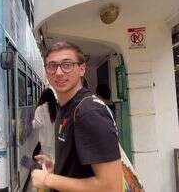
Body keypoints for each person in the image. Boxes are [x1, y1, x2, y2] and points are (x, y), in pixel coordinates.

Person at [31, 41, 122, 192]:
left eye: (67, 65)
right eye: (52, 66)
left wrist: (48, 180)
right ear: (46, 71)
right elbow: (80, 169)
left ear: (81, 69)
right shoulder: (66, 108)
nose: (58, 72)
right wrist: (57, 168)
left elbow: (112, 187)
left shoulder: (88, 112)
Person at [32, 88, 57, 160]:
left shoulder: (40, 109)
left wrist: (33, 122)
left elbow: (37, 124)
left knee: (46, 160)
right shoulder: (57, 107)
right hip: (55, 140)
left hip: (44, 141)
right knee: (54, 159)